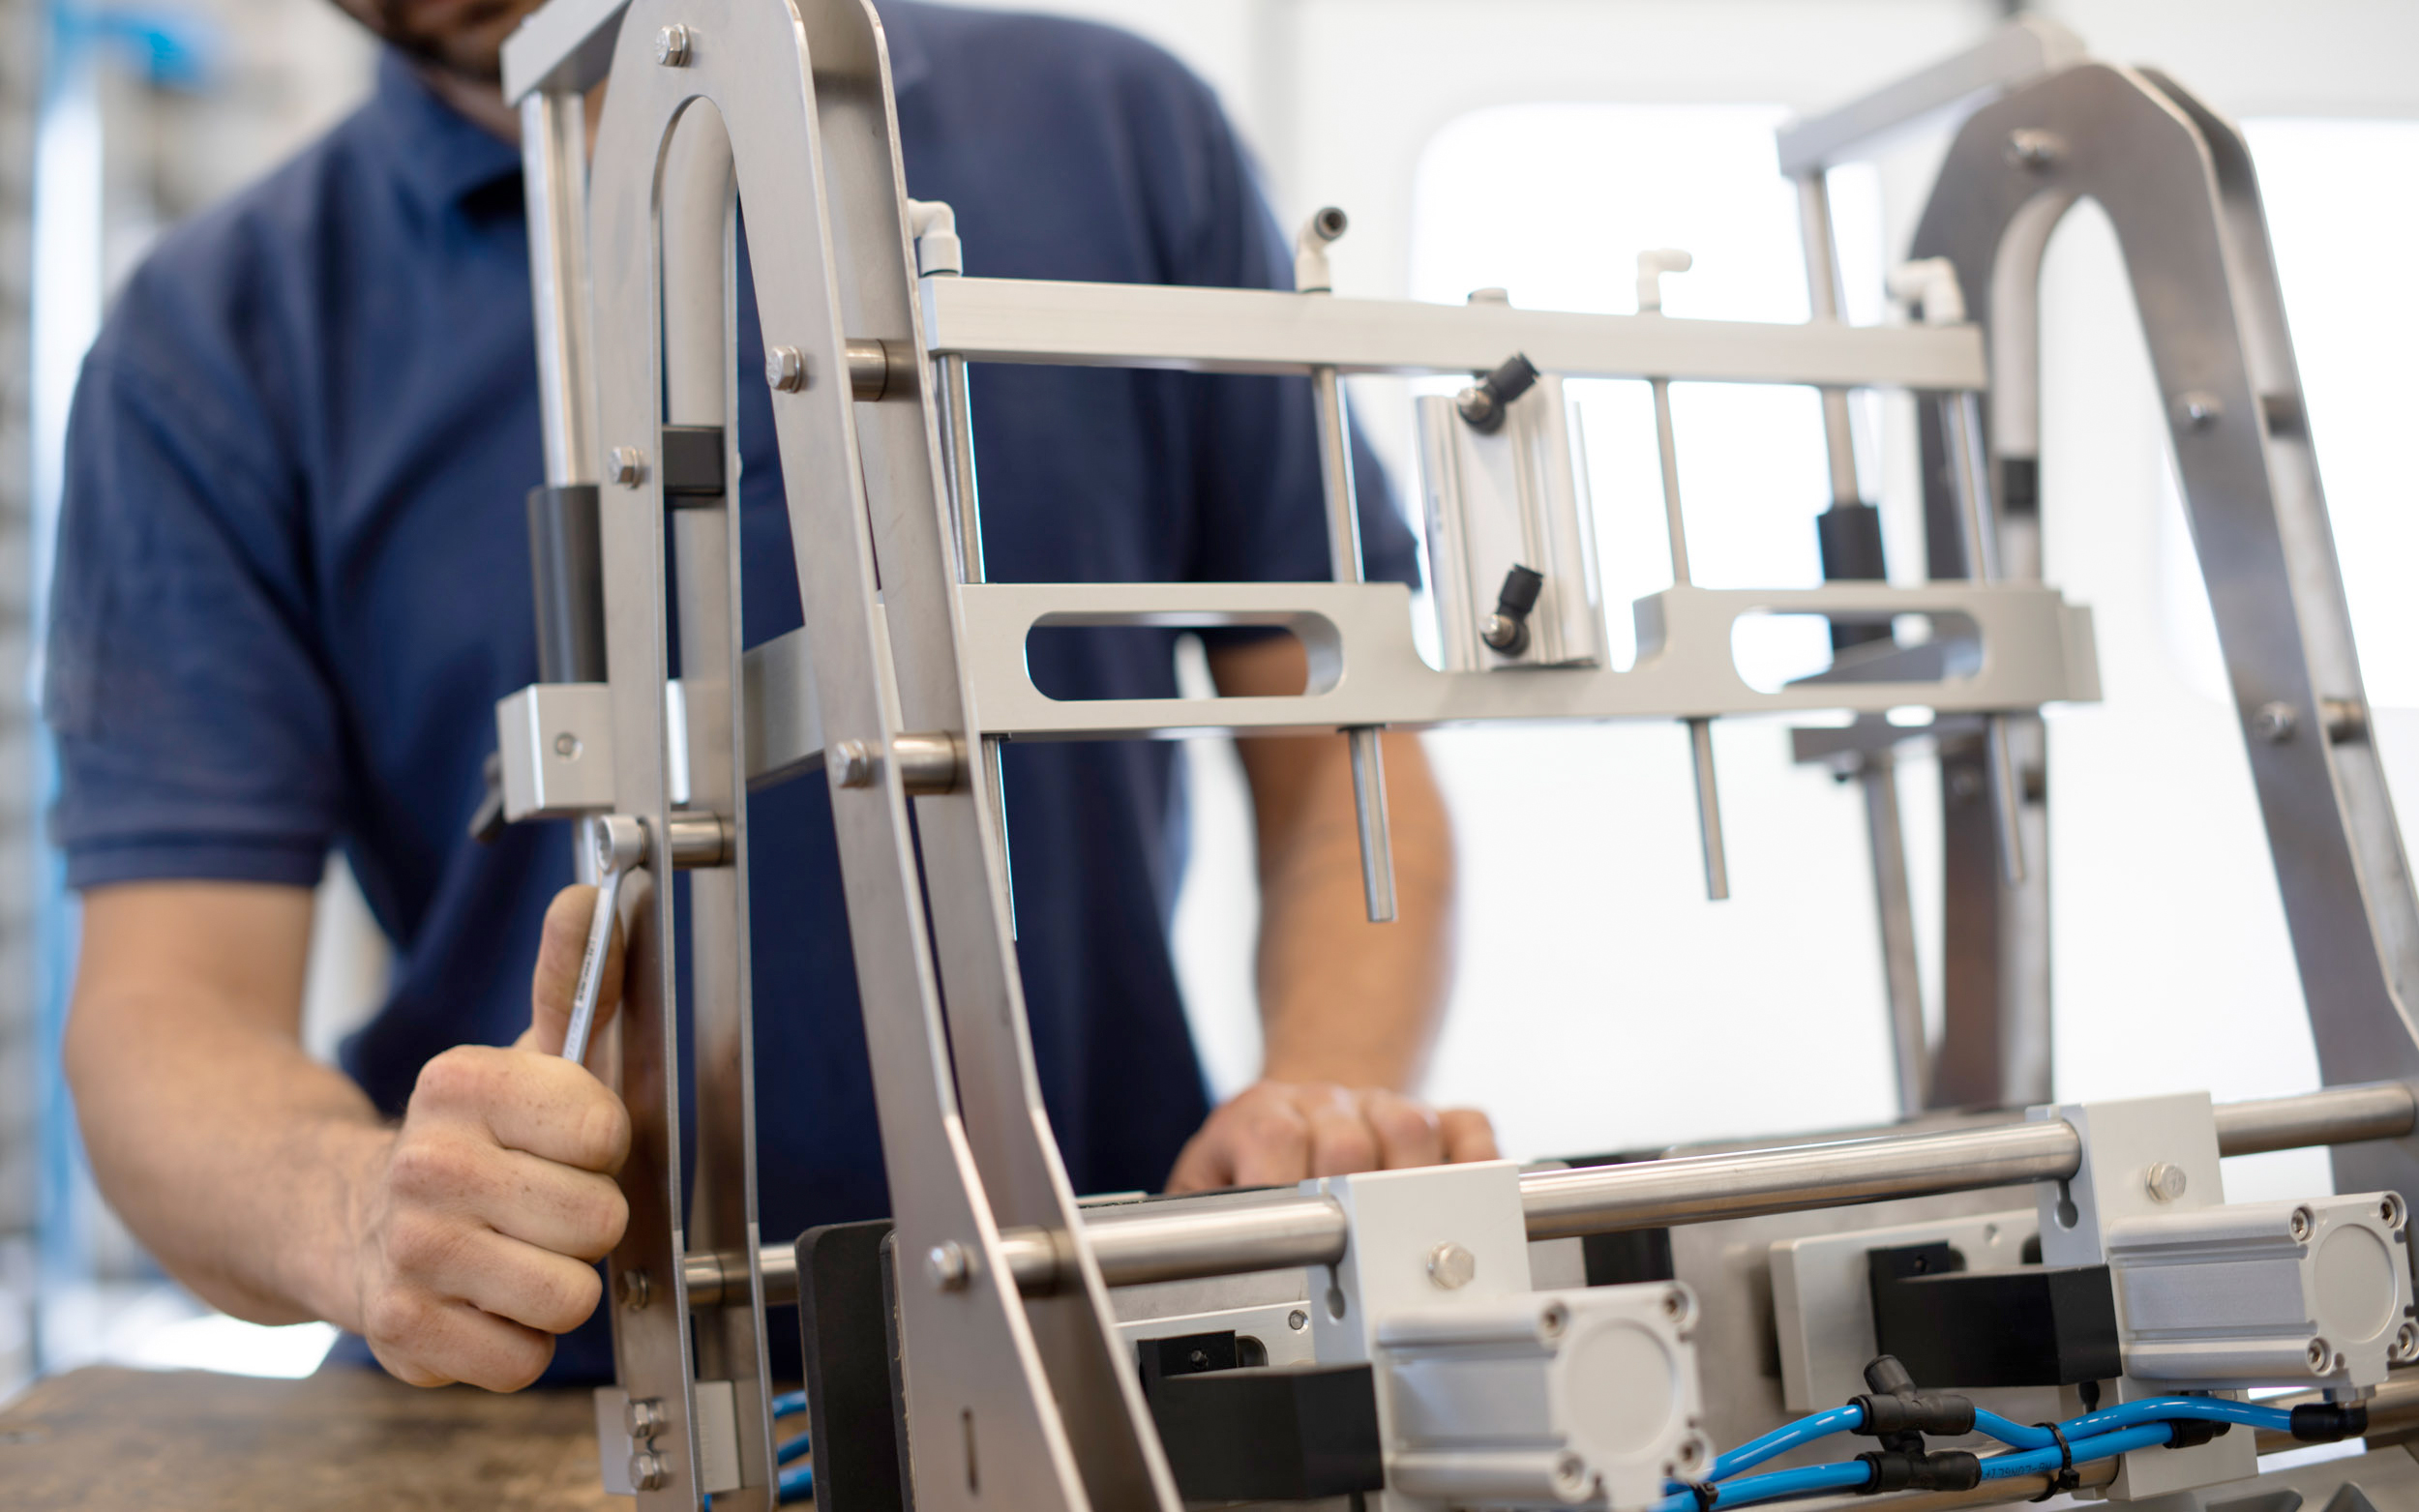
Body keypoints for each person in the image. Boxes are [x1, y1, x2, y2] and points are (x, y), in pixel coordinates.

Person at [48, 0, 1494, 1395]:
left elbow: (1344, 772)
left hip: (1102, 1349)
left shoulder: (1114, 129)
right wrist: (360, 1211)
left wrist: (1318, 1101)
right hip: (546, 1392)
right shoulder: (216, 335)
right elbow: (161, 1014)